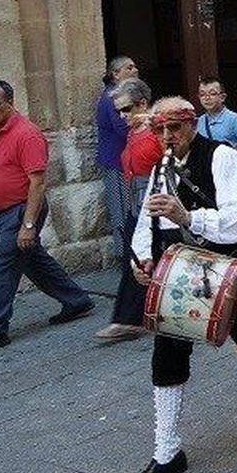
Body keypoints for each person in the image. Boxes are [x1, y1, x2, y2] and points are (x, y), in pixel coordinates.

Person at [124, 97, 237, 473]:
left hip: (224, 268)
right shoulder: (161, 165)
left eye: (174, 129)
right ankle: (167, 450)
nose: (167, 137)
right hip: (181, 274)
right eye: (159, 129)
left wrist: (187, 216)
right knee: (167, 355)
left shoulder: (223, 158)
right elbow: (148, 217)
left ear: (192, 124)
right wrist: (141, 258)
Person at [0, 80, 95, 358]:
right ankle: (76, 300)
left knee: (3, 268)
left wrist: (28, 225)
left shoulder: (27, 135)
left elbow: (37, 184)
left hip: (20, 211)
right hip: (2, 212)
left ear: (10, 103)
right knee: (34, 261)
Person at [96, 78, 162, 342]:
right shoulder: (135, 131)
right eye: (119, 111)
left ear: (143, 104)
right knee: (136, 259)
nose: (122, 116)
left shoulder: (158, 129)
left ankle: (129, 319)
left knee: (139, 258)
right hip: (138, 203)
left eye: (126, 109)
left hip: (157, 202)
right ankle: (131, 318)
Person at [96, 56, 139, 260]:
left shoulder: (119, 95)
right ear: (115, 74)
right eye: (129, 68)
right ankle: (125, 256)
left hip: (124, 160)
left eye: (134, 66)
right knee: (121, 210)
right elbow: (122, 128)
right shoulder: (113, 97)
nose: (135, 70)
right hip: (116, 162)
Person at [195, 78, 237, 158]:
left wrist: (232, 157)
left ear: (223, 97)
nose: (207, 98)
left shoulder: (234, 119)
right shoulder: (199, 121)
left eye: (212, 94)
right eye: (202, 94)